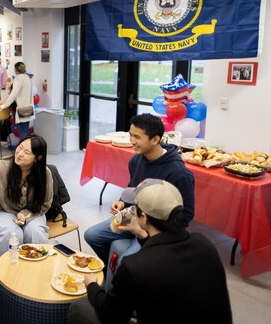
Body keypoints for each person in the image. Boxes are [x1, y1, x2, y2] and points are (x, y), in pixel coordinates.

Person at [68, 179, 232, 324]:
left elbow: (110, 317)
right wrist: (142, 235)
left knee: (79, 307)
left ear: (144, 217)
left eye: (135, 208)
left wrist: (92, 286)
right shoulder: (205, 244)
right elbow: (165, 258)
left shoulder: (134, 266)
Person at [84, 113, 195, 267]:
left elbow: (187, 214)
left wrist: (152, 229)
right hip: (134, 216)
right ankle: (111, 272)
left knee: (127, 261)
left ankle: (122, 276)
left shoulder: (179, 173)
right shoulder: (136, 159)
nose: (132, 141)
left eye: (137, 137)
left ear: (155, 140)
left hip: (156, 228)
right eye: (131, 135)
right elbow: (134, 188)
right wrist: (122, 203)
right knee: (92, 235)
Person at [0, 134, 53, 256]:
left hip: (33, 211)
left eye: (27, 152)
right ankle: (9, 272)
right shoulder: (1, 167)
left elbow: (45, 203)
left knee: (36, 232)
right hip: (2, 210)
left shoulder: (45, 174)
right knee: (11, 232)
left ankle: (39, 271)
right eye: (20, 147)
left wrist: (26, 214)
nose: (20, 153)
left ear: (37, 158)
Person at [0, 62, 33, 139]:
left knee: (22, 131)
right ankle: (25, 148)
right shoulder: (27, 78)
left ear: (16, 69)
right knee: (25, 130)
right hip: (27, 108)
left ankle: (24, 149)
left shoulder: (18, 79)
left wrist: (4, 105)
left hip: (19, 108)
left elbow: (14, 94)